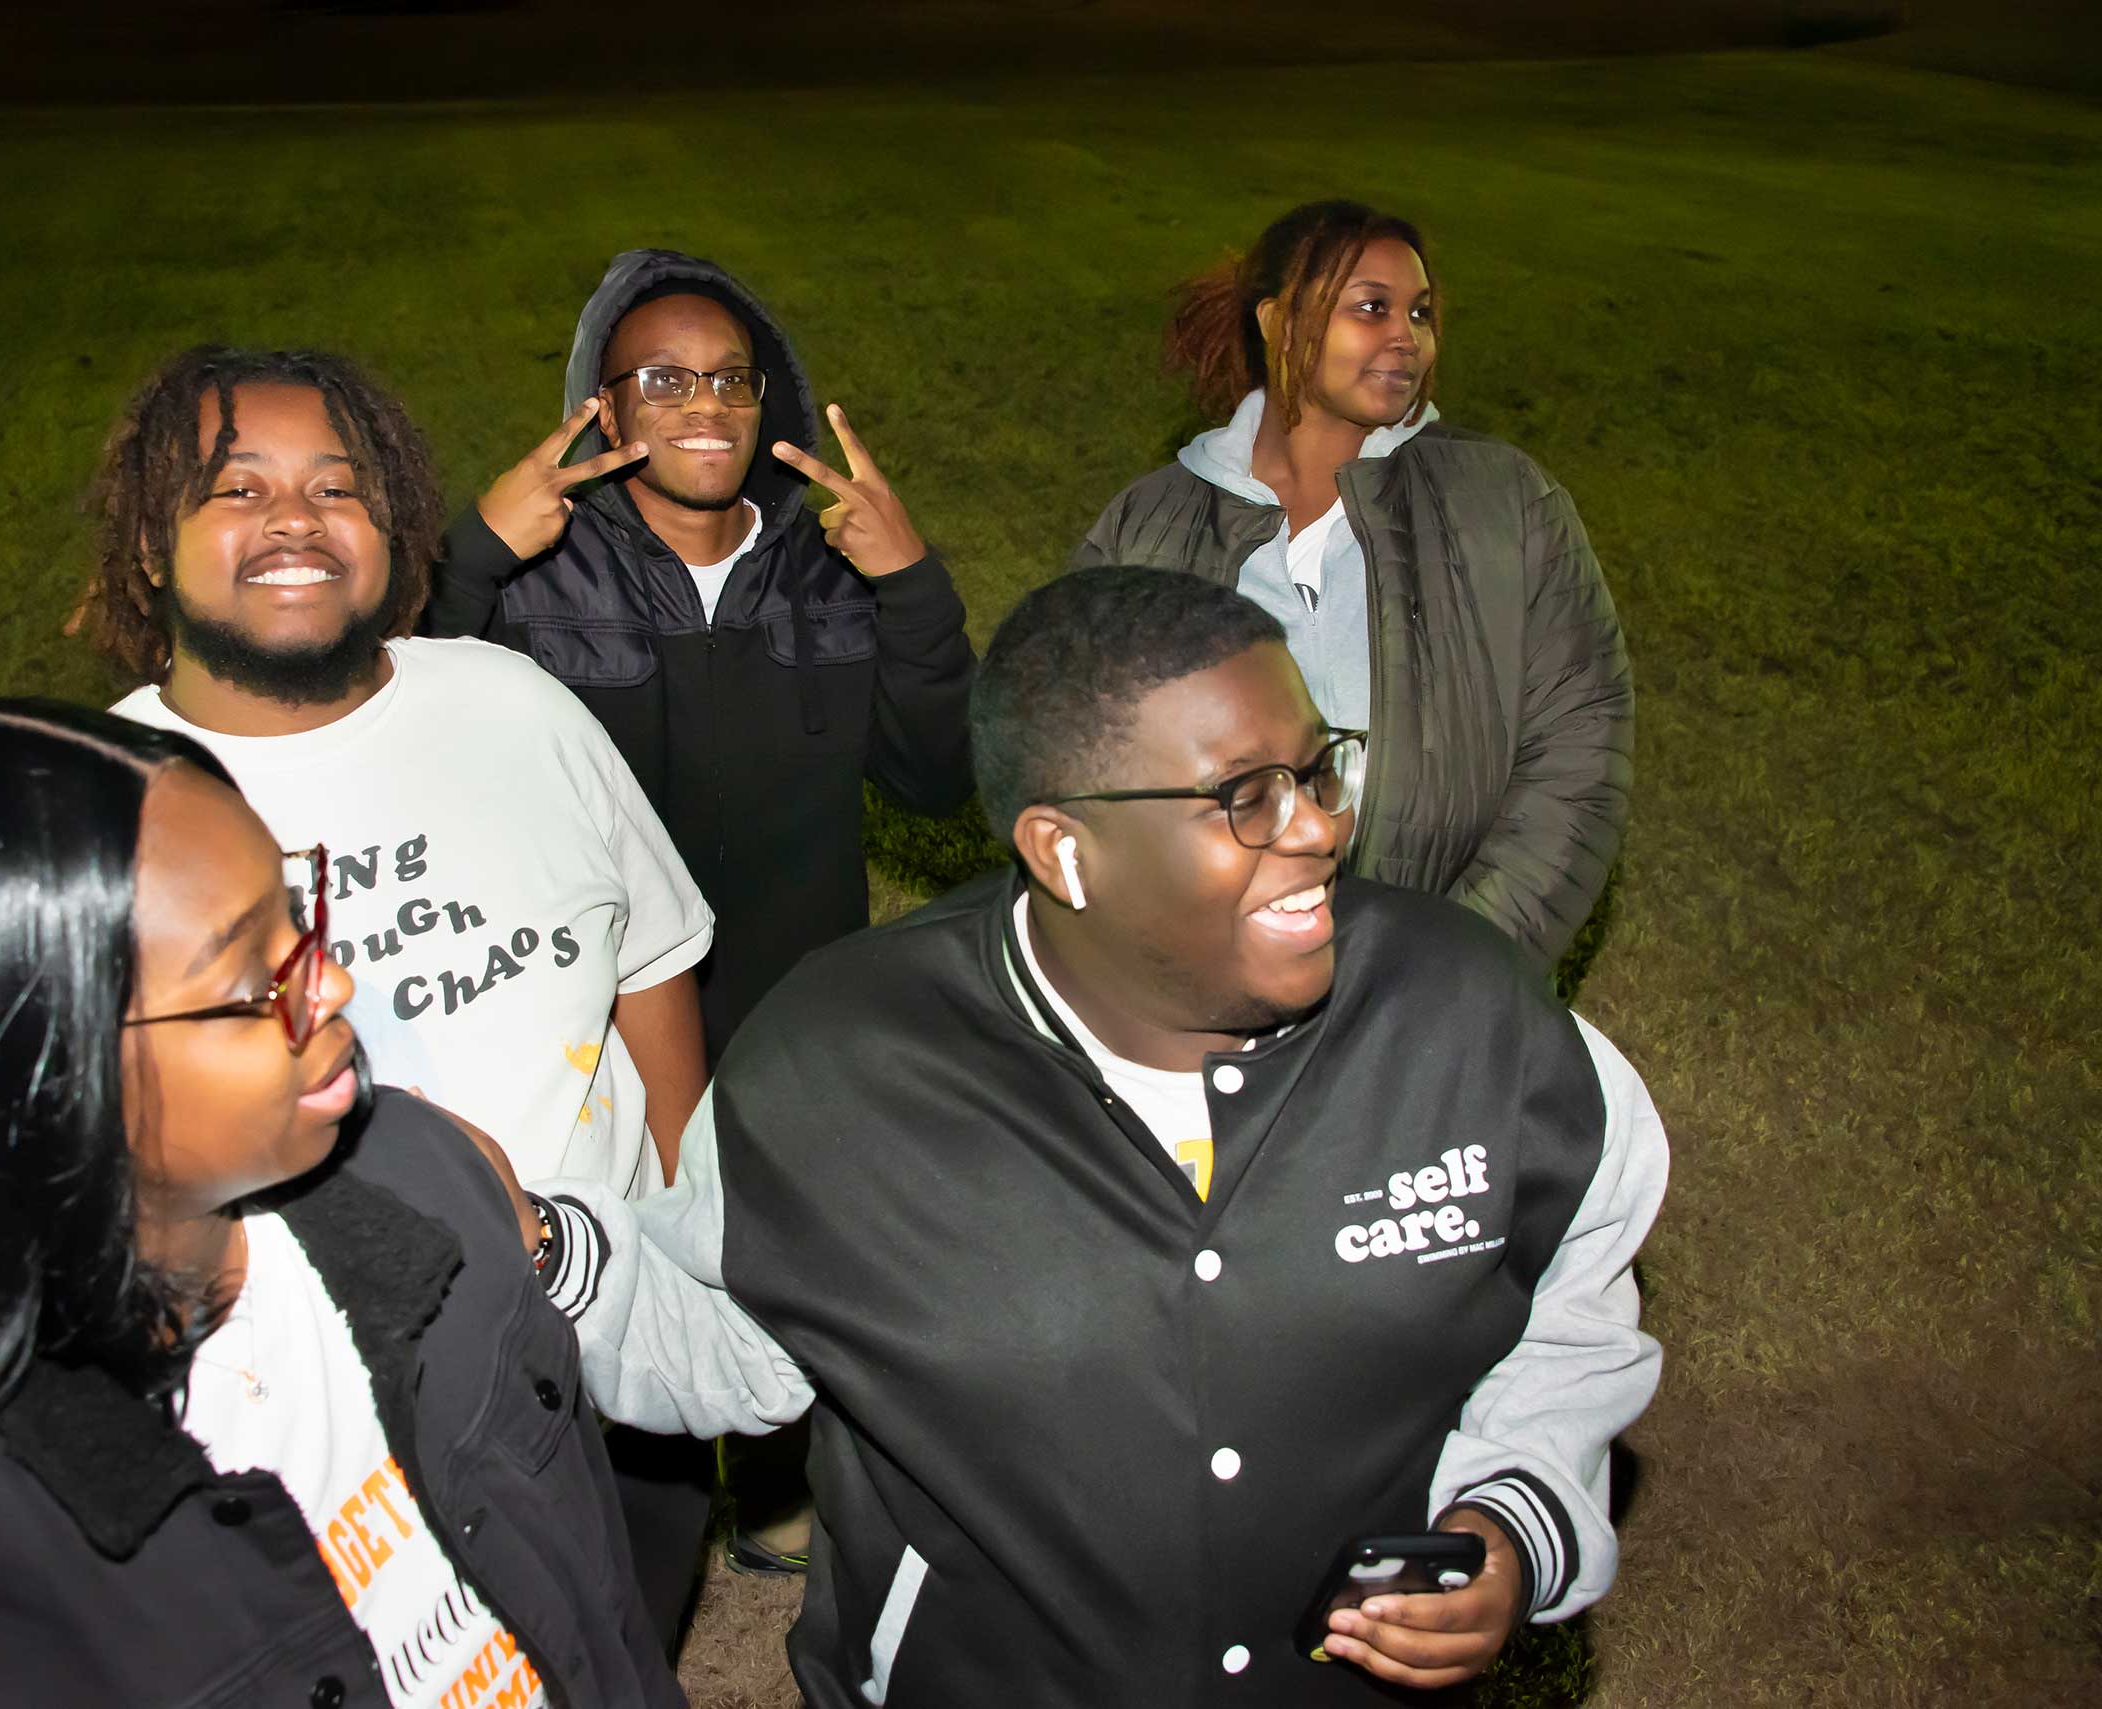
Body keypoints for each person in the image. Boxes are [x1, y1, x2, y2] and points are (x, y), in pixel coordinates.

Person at [525, 569, 1667, 1705]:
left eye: (1320, 769)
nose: (1319, 826)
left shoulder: (1471, 1019)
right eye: (1246, 797)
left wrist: (1513, 1514)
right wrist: (543, 1249)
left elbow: (1572, 1304)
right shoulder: (841, 1070)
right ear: (1063, 850)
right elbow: (721, 1342)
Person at [0, 702, 683, 1708]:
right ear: (30, 1078)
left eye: (300, 919)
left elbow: (603, 1613)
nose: (330, 986)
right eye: (250, 978)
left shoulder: (421, 1171)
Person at [67, 345, 719, 1648]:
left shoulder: (515, 704)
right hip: (334, 1436)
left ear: (396, 524)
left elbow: (653, 968)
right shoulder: (98, 807)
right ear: (152, 543)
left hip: (609, 1353)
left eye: (337, 486)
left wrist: (691, 1245)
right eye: (234, 489)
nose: (295, 519)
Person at [428, 248, 976, 1064]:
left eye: (730, 380)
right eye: (664, 381)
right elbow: (418, 751)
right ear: (605, 415)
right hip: (602, 1021)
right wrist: (469, 559)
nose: (706, 406)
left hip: (801, 1018)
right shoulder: (534, 581)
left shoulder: (836, 578)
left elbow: (935, 780)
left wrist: (913, 584)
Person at [1076, 200, 1634, 972]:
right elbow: (1084, 763)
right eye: (1371, 307)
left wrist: (1453, 971)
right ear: (1278, 323)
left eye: (1421, 312)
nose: (1407, 336)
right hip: (1210, 981)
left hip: (1435, 981)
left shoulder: (1506, 504)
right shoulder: (1149, 526)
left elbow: (1578, 756)